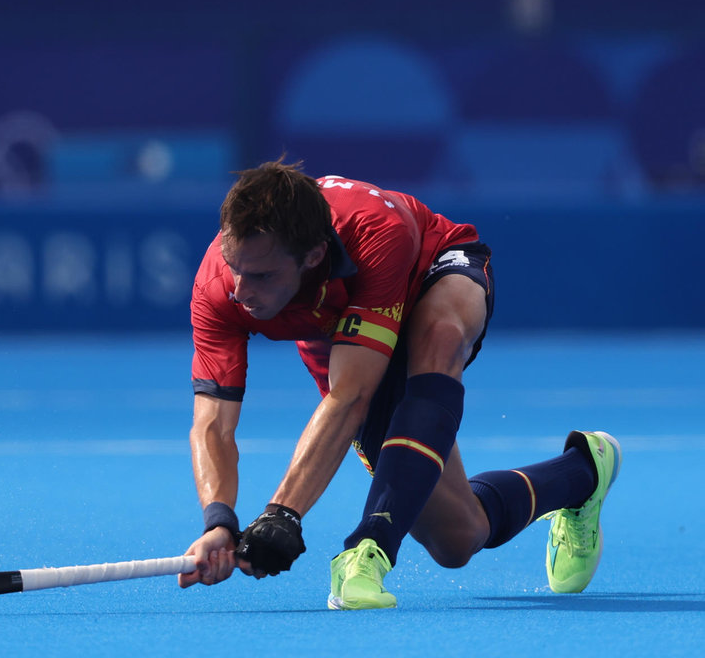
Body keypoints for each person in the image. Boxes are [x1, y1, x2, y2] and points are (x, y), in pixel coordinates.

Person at [176, 159, 621, 609]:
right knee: (458, 538)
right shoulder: (217, 288)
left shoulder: (376, 230)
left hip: (429, 273)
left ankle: (368, 551)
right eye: (235, 267)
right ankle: (583, 471)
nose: (240, 289)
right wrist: (219, 522)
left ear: (312, 256)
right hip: (340, 340)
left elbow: (351, 397)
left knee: (439, 335)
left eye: (262, 276)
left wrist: (282, 515)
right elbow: (212, 426)